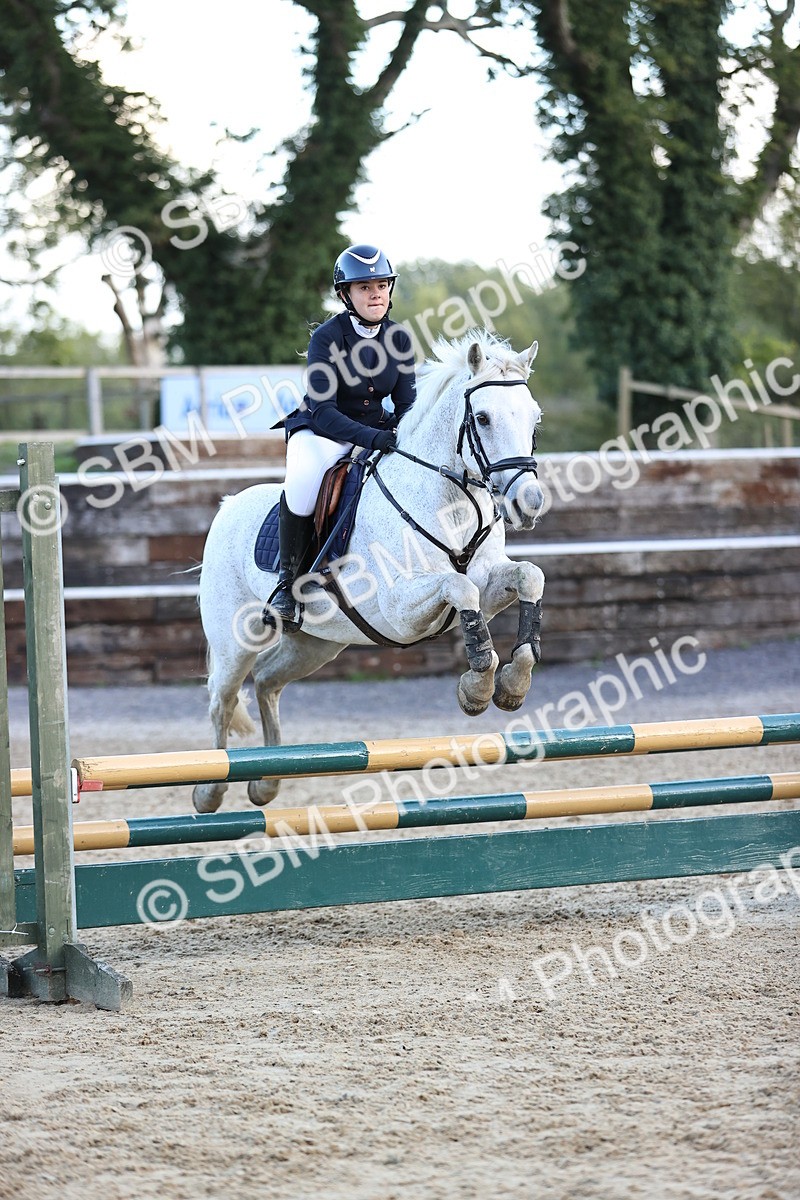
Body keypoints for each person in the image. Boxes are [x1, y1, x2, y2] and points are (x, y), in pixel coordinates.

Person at [268, 244, 417, 626]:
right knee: (302, 482)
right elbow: (324, 410)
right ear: (345, 294)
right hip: (321, 431)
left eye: (382, 285)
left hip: (373, 429)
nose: (376, 294)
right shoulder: (326, 338)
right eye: (364, 287)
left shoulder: (399, 338)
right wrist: (372, 437)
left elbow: (406, 404)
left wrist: (403, 430)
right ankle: (287, 586)